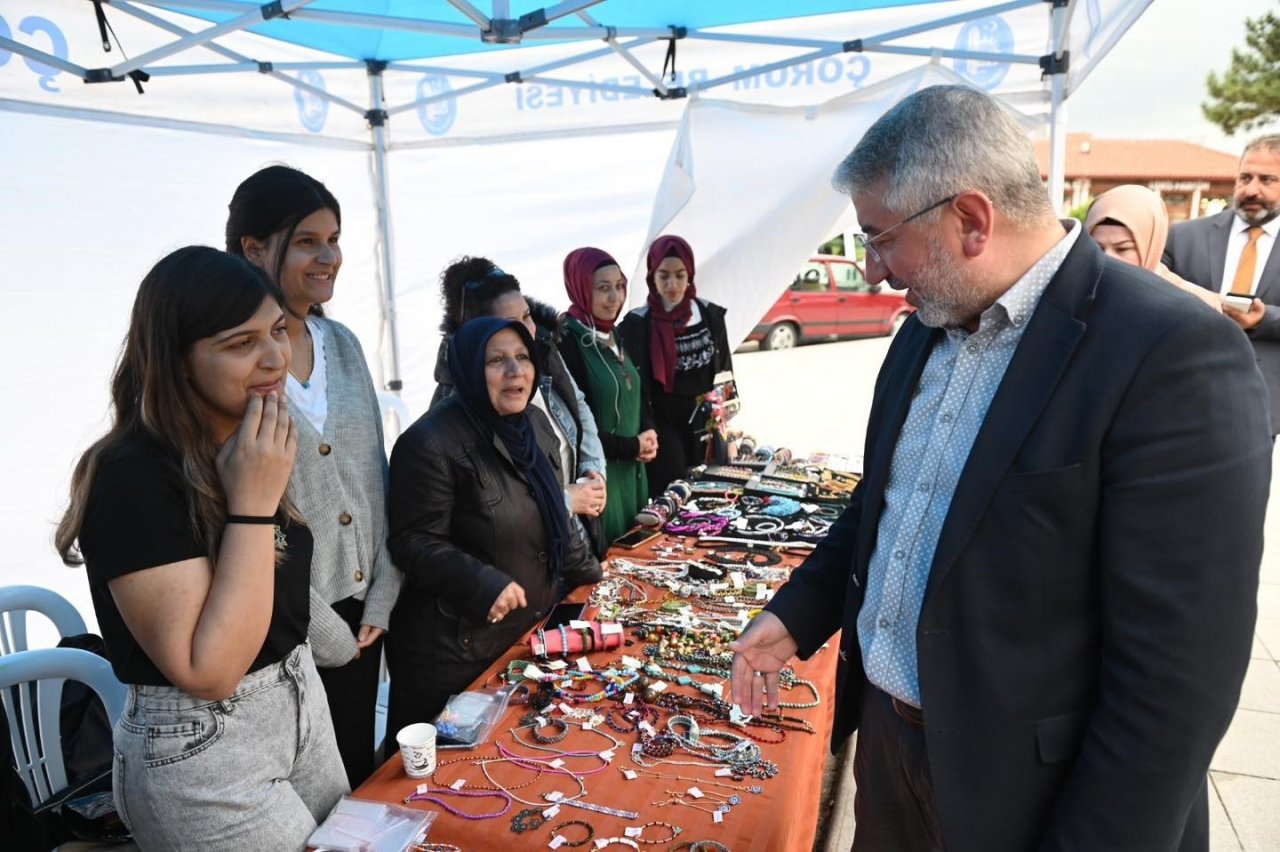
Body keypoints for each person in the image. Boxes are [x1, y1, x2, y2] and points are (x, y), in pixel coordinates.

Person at [729, 85, 1270, 852]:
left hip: (1034, 798)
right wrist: (791, 618)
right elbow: (884, 509)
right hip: (891, 757)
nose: (877, 270)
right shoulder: (924, 327)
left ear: (971, 221)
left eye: (880, 239)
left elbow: (1175, 684)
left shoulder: (1170, 352)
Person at [55, 246, 347, 850]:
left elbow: (277, 572)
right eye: (240, 343)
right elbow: (209, 670)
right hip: (204, 745)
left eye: (277, 331)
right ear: (178, 362)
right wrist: (252, 506)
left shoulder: (248, 433)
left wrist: (340, 640)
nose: (274, 357)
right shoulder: (132, 476)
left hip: (301, 704)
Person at [226, 165, 401, 787]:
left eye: (335, 238)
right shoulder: (240, 365)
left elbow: (375, 481)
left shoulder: (344, 343)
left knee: (360, 768)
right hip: (288, 630)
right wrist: (325, 629)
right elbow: (246, 520)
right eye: (307, 241)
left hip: (368, 613)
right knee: (315, 790)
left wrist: (384, 588)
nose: (329, 256)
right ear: (253, 248)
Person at [384, 317, 604, 736]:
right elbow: (413, 541)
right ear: (468, 368)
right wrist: (481, 582)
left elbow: (553, 509)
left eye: (523, 357)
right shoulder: (429, 442)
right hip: (457, 650)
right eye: (496, 360)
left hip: (523, 631)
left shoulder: (534, 426)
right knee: (446, 773)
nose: (515, 371)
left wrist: (590, 575)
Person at [430, 256, 610, 556]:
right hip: (522, 562)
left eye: (528, 315)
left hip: (574, 538)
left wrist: (594, 471)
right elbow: (488, 510)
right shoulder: (455, 413)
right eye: (514, 324)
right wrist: (564, 499)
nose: (530, 330)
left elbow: (577, 405)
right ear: (479, 333)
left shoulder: (545, 352)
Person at [1164, 136, 1280, 434]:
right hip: (1181, 392)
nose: (1252, 189)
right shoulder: (1184, 236)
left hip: (1261, 406)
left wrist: (1264, 318)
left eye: (1267, 179)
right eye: (1245, 177)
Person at [617, 235, 734, 497]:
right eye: (664, 275)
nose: (673, 284)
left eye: (681, 275)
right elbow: (636, 384)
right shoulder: (638, 323)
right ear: (652, 276)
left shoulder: (709, 314)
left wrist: (726, 422)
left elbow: (723, 370)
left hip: (705, 419)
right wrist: (646, 427)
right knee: (672, 488)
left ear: (690, 275)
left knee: (711, 487)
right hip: (662, 421)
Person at [558, 246, 658, 541]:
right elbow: (578, 425)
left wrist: (648, 431)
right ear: (580, 287)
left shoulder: (616, 333)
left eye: (620, 286)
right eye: (603, 288)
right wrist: (631, 446)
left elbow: (636, 391)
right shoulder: (569, 341)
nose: (615, 298)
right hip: (603, 477)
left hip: (634, 472)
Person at [1085, 184, 1222, 312]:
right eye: (1098, 248)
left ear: (1152, 245)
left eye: (1123, 249)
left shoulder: (1196, 305)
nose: (1107, 258)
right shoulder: (1075, 294)